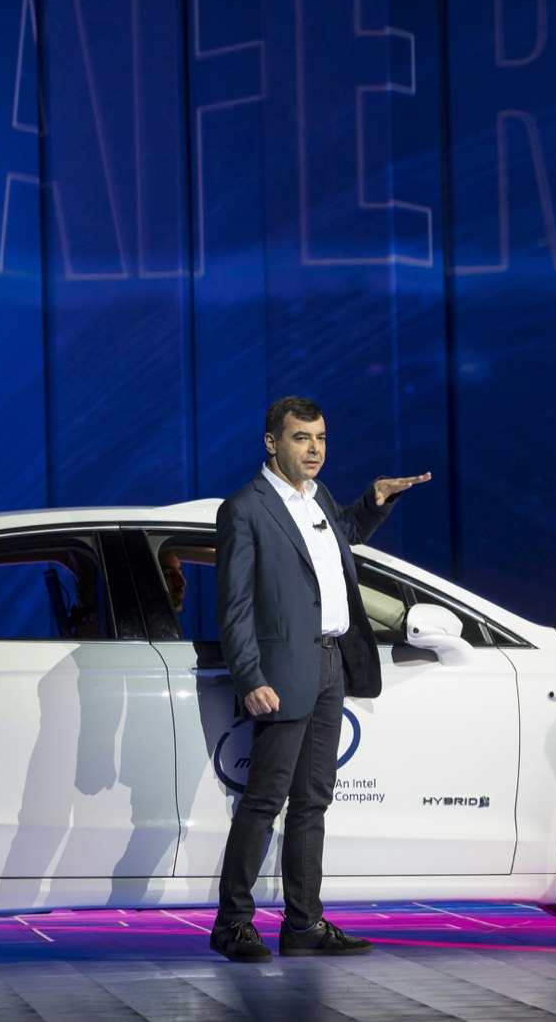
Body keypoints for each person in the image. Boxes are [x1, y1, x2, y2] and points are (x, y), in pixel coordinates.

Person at [208, 396, 430, 962]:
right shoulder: (246, 508)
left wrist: (373, 502)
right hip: (281, 674)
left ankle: (304, 925)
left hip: (331, 664)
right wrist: (249, 675)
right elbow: (233, 607)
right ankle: (233, 924)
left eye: (322, 438)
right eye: (302, 437)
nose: (314, 449)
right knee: (263, 803)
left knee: (313, 803)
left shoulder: (319, 497)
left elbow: (341, 535)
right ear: (272, 442)